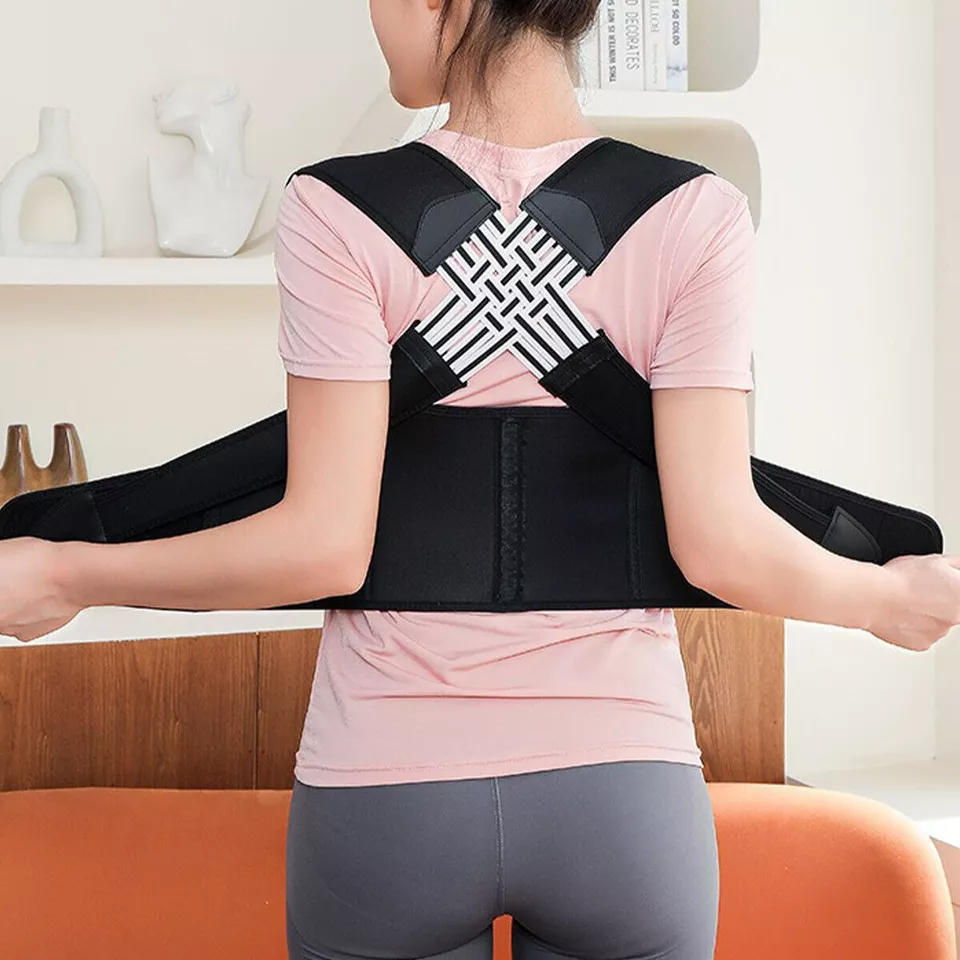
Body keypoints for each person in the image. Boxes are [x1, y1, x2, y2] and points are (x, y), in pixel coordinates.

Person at [2, 1, 960, 958]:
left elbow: (322, 545)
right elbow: (722, 540)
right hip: (622, 795)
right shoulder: (697, 215)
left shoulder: (335, 209)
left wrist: (70, 573)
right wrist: (882, 600)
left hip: (389, 793)